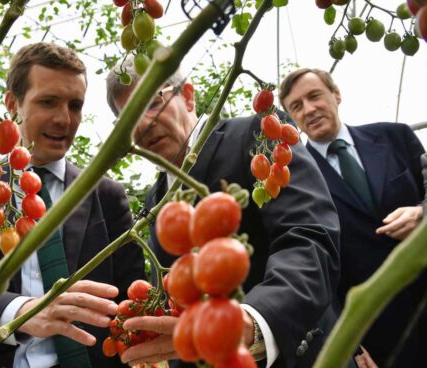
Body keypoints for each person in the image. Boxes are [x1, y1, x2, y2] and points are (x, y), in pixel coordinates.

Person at [106, 58, 352, 368]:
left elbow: (308, 235)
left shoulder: (256, 134)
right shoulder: (155, 202)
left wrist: (255, 319)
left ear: (189, 96)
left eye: (152, 103)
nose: (142, 124)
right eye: (128, 118)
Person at [0, 42, 144, 368]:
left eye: (75, 105)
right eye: (48, 102)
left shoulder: (107, 196)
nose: (64, 119)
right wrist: (22, 312)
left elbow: (130, 300)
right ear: (13, 104)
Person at [280, 68, 426, 368]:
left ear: (336, 95)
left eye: (314, 96)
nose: (308, 109)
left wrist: (423, 213)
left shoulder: (394, 136)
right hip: (380, 333)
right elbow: (315, 270)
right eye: (296, 106)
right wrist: (350, 344)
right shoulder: (297, 184)